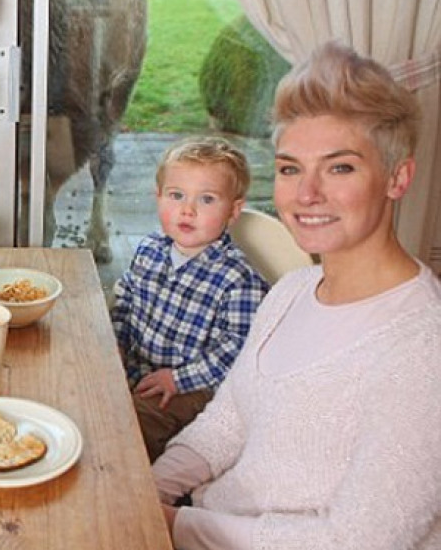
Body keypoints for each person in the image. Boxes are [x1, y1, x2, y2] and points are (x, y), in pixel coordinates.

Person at [153, 41, 441, 548]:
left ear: (398, 177)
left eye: (340, 167)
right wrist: (147, 490)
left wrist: (178, 526)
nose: (306, 194)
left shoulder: (422, 349)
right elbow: (227, 423)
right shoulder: (292, 290)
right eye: (290, 169)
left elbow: (357, 541)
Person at [112, 137, 269, 460]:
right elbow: (126, 299)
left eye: (207, 199)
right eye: (176, 195)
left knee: (131, 430)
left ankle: (130, 478)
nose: (188, 210)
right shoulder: (150, 249)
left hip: (192, 387)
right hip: (138, 365)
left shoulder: (239, 280)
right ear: (158, 198)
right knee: (88, 403)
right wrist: (116, 340)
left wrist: (178, 379)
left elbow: (236, 351)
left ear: (233, 210)